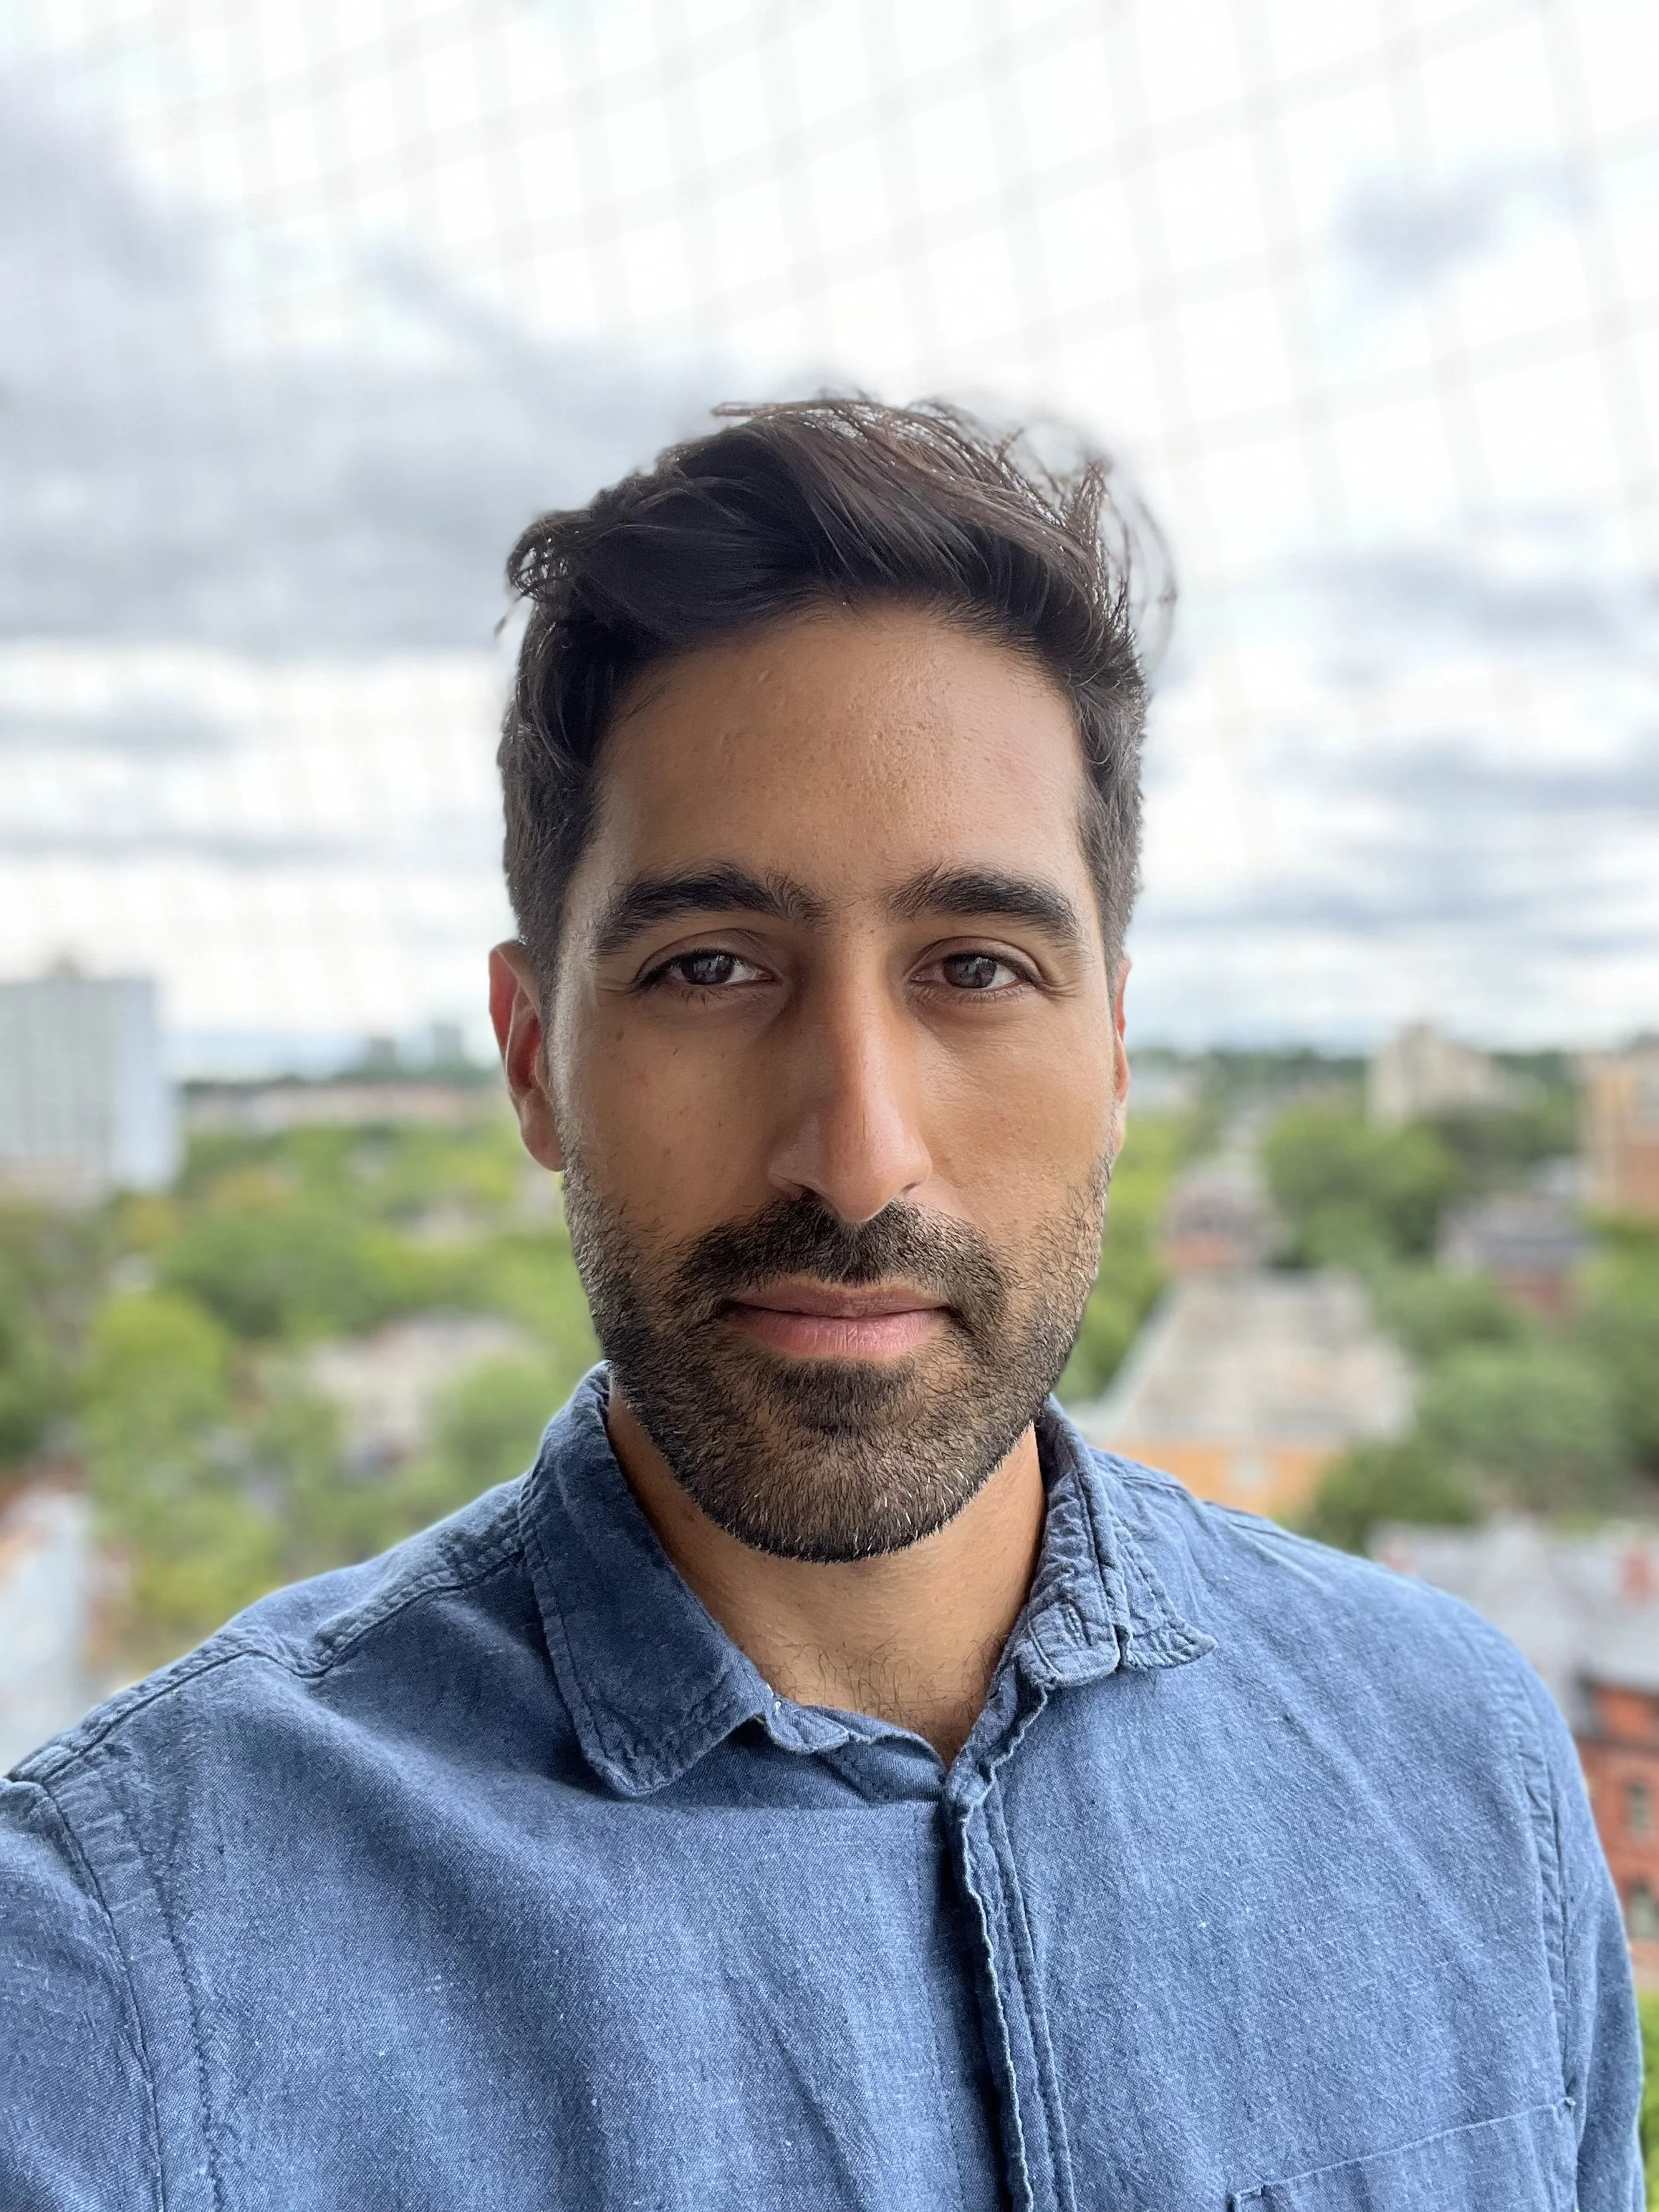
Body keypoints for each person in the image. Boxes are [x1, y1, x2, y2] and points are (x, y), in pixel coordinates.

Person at [0, 400, 1641, 2210]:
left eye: (975, 967)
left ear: (1113, 1048)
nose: (856, 1157)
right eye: (712, 967)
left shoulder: (1463, 1767)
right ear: (537, 1059)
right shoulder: (113, 1969)